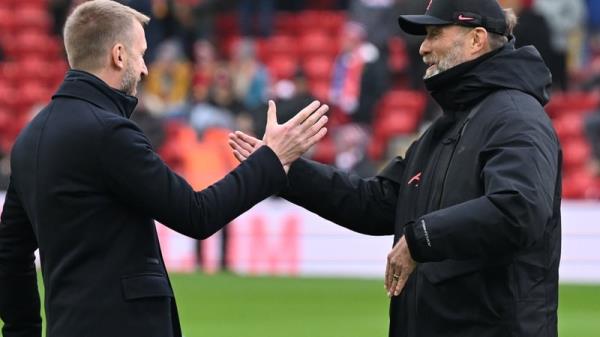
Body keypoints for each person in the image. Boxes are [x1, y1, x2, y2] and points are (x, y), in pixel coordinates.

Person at [229, 0, 562, 336]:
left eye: (434, 34)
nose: (423, 48)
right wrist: (284, 168)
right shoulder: (444, 128)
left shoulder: (516, 117)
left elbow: (519, 209)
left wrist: (422, 238)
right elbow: (378, 202)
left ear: (476, 39)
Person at [0, 1, 329, 337]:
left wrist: (21, 330)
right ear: (118, 55)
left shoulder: (29, 138)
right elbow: (197, 214)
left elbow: (10, 253)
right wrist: (272, 159)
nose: (145, 69)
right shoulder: (109, 134)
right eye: (141, 53)